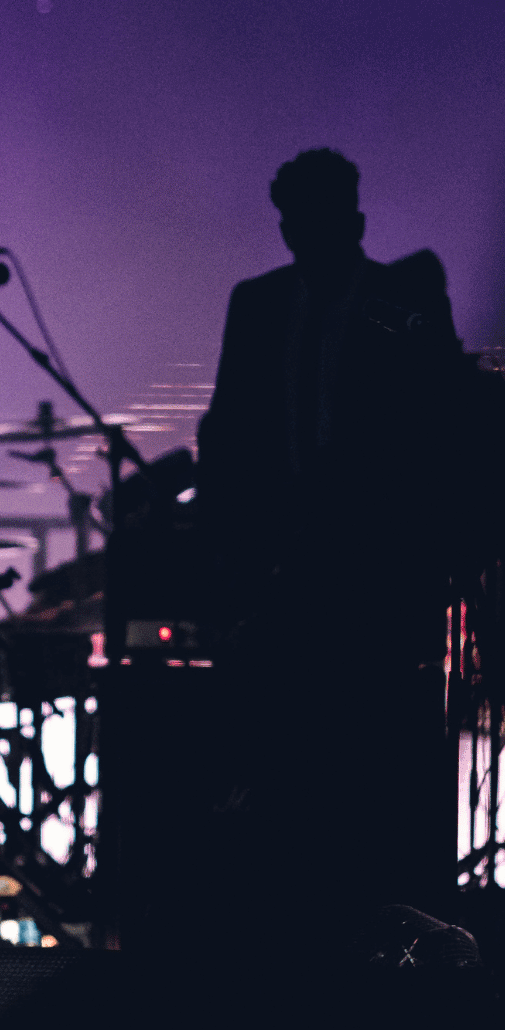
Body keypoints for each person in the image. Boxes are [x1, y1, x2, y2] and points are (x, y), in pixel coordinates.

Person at [179, 148, 474, 1023]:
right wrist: (235, 565)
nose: (308, 232)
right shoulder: (261, 303)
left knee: (367, 775)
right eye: (296, 218)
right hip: (287, 584)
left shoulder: (404, 295)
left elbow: (441, 417)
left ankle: (377, 955)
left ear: (349, 217)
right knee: (298, 781)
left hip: (372, 582)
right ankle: (307, 956)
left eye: (318, 215)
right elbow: (230, 432)